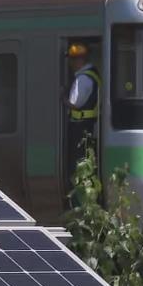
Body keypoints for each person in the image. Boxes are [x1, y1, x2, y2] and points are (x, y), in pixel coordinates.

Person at [64, 42, 100, 188]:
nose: (71, 63)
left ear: (80, 60)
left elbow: (74, 103)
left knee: (79, 164)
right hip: (89, 125)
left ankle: (80, 197)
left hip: (81, 128)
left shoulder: (83, 79)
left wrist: (62, 98)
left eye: (72, 60)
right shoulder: (93, 75)